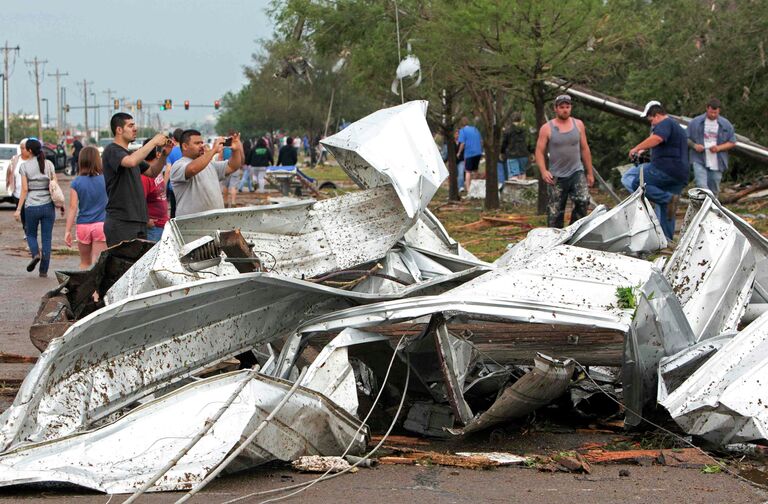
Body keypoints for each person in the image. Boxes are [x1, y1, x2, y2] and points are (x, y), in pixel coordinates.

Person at [102, 113, 173, 246]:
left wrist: (164, 155)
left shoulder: (130, 154)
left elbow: (152, 172)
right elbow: (131, 162)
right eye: (130, 126)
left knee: (138, 266)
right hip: (122, 222)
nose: (135, 129)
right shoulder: (112, 150)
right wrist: (153, 142)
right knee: (123, 266)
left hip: (138, 222)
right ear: (119, 130)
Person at [622, 101, 689, 240]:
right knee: (668, 210)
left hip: (665, 168)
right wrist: (643, 150)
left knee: (637, 183)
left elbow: (657, 138)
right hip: (680, 174)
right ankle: (667, 240)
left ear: (657, 115)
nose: (652, 124)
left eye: (651, 120)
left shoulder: (665, 123)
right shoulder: (678, 128)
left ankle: (667, 199)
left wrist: (636, 148)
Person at [535, 94, 595, 228]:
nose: (565, 110)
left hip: (576, 171)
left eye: (567, 107)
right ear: (556, 109)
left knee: (583, 201)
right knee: (555, 212)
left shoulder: (578, 124)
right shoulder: (547, 128)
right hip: (556, 175)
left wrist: (589, 172)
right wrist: (544, 171)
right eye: (562, 107)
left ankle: (574, 229)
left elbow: (585, 149)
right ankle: (555, 239)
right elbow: (539, 151)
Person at [14, 139, 64, 277]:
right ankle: (43, 271)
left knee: (30, 234)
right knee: (47, 239)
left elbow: (24, 189)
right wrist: (60, 204)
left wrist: (18, 209)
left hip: (31, 206)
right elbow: (55, 186)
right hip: (48, 206)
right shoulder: (49, 164)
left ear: (29, 150)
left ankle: (35, 254)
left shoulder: (24, 167)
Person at [170, 130, 243, 216]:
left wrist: (236, 150)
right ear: (185, 146)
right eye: (197, 143)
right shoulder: (178, 165)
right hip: (191, 225)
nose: (201, 146)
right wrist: (213, 150)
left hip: (215, 222)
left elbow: (233, 166)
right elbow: (192, 169)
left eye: (202, 142)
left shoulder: (209, 164)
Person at [64, 146, 108, 269]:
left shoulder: (76, 182)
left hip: (83, 226)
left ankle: (84, 288)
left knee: (85, 263)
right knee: (97, 264)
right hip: (101, 225)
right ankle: (96, 289)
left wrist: (67, 231)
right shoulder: (105, 180)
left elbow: (73, 208)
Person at [687, 98, 736, 198]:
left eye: (715, 113)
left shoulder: (726, 124)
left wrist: (719, 148)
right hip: (699, 158)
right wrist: (695, 146)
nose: (713, 115)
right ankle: (702, 207)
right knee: (701, 185)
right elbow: (685, 138)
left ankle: (713, 209)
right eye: (711, 112)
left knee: (714, 187)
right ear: (707, 109)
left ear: (719, 111)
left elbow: (732, 142)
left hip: (717, 161)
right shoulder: (695, 122)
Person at [139, 139, 170, 242]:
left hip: (162, 226)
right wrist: (146, 221)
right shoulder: (145, 176)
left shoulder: (157, 171)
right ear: (158, 154)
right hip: (153, 229)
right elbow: (139, 200)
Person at [6, 138, 29, 231]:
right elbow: (9, 173)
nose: (22, 150)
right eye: (21, 148)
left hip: (30, 193)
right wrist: (9, 185)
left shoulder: (33, 160)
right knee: (23, 214)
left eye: (24, 148)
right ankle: (26, 229)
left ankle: (29, 231)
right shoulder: (15, 159)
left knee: (29, 214)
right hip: (17, 193)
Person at [501, 113, 530, 181]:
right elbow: (529, 142)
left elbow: (504, 143)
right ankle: (523, 190)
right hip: (524, 154)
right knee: (522, 173)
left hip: (512, 155)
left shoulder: (508, 130)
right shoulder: (525, 130)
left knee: (513, 175)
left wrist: (502, 152)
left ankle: (515, 191)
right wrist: (531, 152)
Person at [456, 117, 483, 192]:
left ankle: (468, 190)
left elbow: (462, 143)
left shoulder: (463, 131)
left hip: (469, 153)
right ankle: (476, 188)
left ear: (461, 124)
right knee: (475, 170)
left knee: (468, 171)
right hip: (478, 152)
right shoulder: (475, 129)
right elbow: (481, 141)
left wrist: (459, 152)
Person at [165, 128, 184, 218]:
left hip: (174, 187)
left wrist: (164, 186)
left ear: (173, 138)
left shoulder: (170, 151)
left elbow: (168, 170)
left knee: (173, 212)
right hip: (186, 187)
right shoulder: (187, 150)